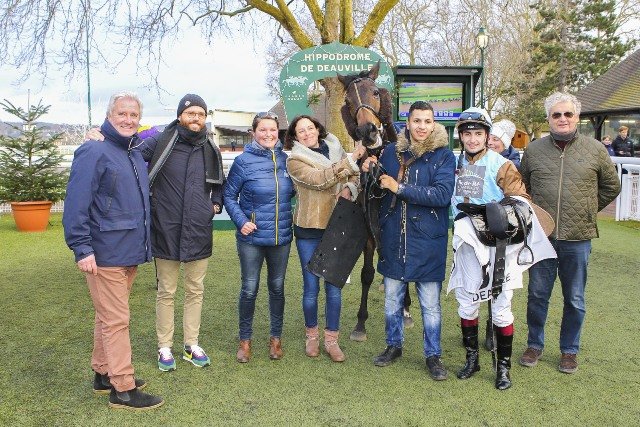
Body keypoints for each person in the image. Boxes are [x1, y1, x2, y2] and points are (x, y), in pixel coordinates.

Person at [86, 94, 225, 372]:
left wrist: (214, 206)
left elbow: (220, 183)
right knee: (166, 291)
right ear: (180, 116)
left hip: (199, 229)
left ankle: (191, 344)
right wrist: (98, 134)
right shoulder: (160, 141)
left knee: (195, 290)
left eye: (200, 114)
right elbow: (126, 148)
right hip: (166, 228)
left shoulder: (211, 148)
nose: (195, 118)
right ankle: (165, 346)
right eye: (190, 113)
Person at [63, 92, 164, 410]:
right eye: (122, 113)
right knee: (117, 320)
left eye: (134, 115)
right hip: (104, 252)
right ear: (109, 115)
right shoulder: (94, 150)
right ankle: (123, 387)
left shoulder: (132, 151)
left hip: (127, 251)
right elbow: (76, 203)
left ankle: (103, 372)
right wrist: (82, 248)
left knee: (107, 317)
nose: (128, 119)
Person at [519, 92, 621, 374]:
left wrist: (587, 209)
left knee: (574, 298)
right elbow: (523, 188)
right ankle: (534, 344)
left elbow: (612, 186)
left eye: (568, 114)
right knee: (537, 295)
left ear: (577, 117)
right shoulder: (533, 151)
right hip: (542, 238)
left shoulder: (595, 149)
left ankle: (569, 350)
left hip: (578, 238)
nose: (562, 119)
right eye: (556, 114)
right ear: (549, 118)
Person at [447, 107, 548, 390]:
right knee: (467, 302)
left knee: (501, 306)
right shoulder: (454, 163)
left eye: (478, 134)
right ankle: (472, 360)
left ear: (487, 136)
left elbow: (521, 201)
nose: (472, 139)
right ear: (461, 137)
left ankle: (503, 368)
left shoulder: (501, 164)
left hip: (498, 245)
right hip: (465, 243)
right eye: (467, 134)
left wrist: (496, 214)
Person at [365, 101, 455, 381]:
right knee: (392, 300)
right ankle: (393, 346)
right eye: (417, 121)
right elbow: (378, 190)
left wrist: (400, 187)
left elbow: (441, 196)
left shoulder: (444, 156)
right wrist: (371, 171)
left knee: (430, 304)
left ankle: (433, 355)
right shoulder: (391, 152)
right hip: (394, 237)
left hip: (428, 240)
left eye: (427, 121)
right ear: (408, 122)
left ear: (434, 123)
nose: (422, 127)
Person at [285, 115, 366, 362]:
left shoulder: (334, 148)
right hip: (309, 229)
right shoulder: (295, 160)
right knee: (311, 288)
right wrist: (351, 160)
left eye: (310, 128)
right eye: (301, 131)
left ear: (318, 129)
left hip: (338, 225)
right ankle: (312, 337)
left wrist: (349, 188)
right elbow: (320, 180)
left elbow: (354, 177)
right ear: (295, 137)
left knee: (334, 288)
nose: (307, 133)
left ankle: (332, 340)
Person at [223, 111, 295, 363]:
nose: (268, 134)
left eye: (272, 129)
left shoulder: (287, 161)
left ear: (278, 132)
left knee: (277, 288)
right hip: (251, 239)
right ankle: (245, 340)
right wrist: (241, 221)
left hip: (281, 238)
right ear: (253, 133)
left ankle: (276, 339)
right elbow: (229, 195)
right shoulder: (243, 161)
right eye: (262, 129)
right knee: (249, 289)